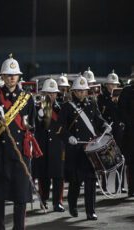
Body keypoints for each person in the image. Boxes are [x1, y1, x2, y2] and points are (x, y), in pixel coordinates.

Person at [0, 54, 37, 230]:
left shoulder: (27, 98)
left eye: (14, 74)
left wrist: (28, 136)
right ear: (2, 76)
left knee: (20, 195)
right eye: (8, 74)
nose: (11, 77)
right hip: (0, 152)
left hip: (20, 153)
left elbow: (31, 125)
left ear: (18, 76)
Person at [58, 75, 110, 220]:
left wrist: (105, 124)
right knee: (75, 181)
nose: (82, 93)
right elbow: (60, 127)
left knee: (91, 180)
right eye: (79, 91)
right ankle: (73, 204)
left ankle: (90, 210)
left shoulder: (92, 103)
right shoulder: (67, 106)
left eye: (84, 91)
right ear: (73, 91)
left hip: (90, 149)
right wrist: (68, 137)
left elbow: (98, 120)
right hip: (75, 150)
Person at [33, 78, 65, 212]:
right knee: (43, 175)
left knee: (58, 175)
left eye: (53, 93)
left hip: (57, 146)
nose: (51, 96)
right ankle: (44, 200)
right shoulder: (36, 107)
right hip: (42, 146)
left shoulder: (61, 107)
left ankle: (58, 202)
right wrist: (39, 117)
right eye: (48, 93)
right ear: (43, 93)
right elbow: (32, 126)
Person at [97, 70, 126, 193]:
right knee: (106, 158)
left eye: (115, 85)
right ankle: (104, 185)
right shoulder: (101, 98)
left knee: (120, 157)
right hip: (106, 130)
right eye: (111, 84)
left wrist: (118, 102)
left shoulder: (121, 97)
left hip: (118, 130)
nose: (113, 87)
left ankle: (120, 185)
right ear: (106, 85)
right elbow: (99, 114)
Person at [118, 76, 134, 197]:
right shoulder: (127, 91)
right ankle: (132, 188)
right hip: (131, 133)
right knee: (131, 162)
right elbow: (122, 111)